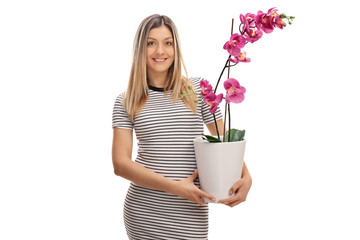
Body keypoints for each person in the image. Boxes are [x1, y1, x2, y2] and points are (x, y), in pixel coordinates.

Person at [112, 14, 252, 240]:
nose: (160, 51)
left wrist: (247, 177)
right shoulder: (126, 100)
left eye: (168, 43)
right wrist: (176, 188)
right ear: (141, 48)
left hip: (190, 211)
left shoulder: (198, 89)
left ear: (175, 48)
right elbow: (120, 165)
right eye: (151, 43)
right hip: (144, 212)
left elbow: (225, 141)